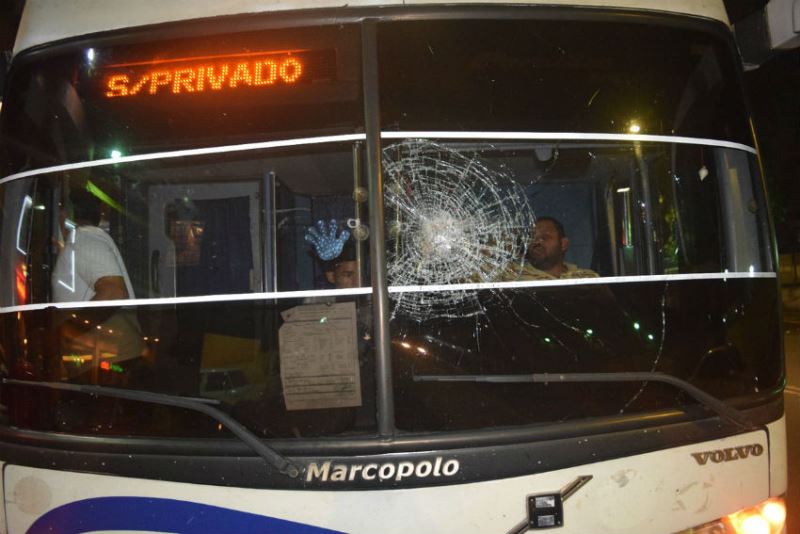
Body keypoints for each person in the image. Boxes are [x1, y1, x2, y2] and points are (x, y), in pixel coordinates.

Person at [519, 216, 598, 280]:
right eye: (531, 238)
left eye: (545, 237)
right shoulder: (513, 276)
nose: (536, 242)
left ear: (563, 244)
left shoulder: (586, 278)